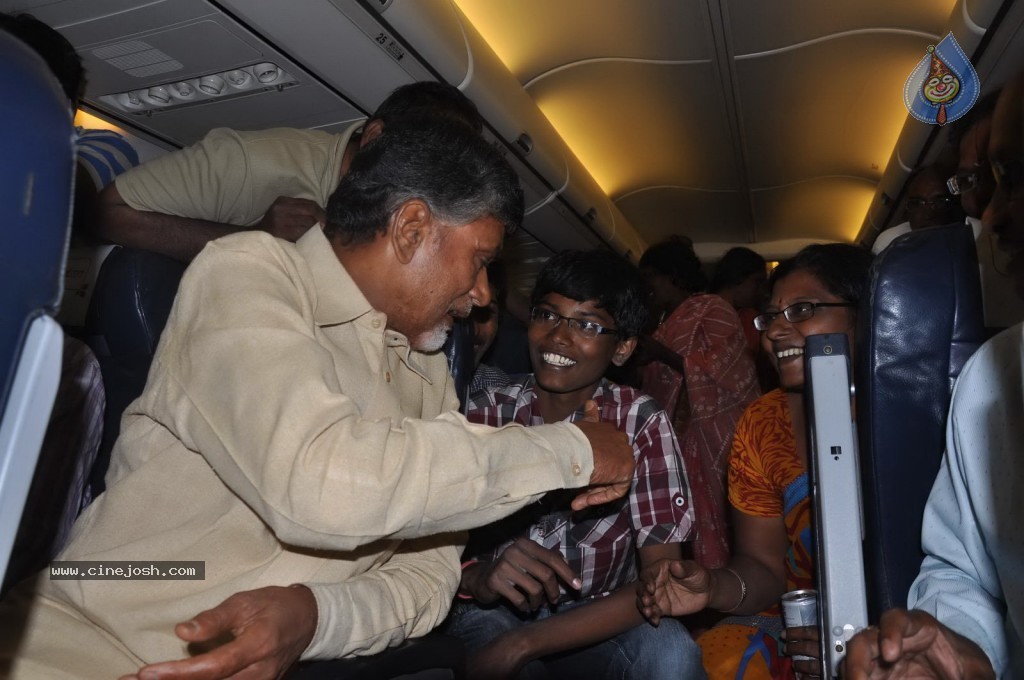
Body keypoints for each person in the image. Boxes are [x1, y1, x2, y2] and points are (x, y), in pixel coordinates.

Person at [0, 121, 637, 679]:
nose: (481, 295)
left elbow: (431, 579)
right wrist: (571, 451)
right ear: (412, 228)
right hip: (90, 643)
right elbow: (322, 482)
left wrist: (316, 615)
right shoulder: (249, 275)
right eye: (477, 262)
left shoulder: (425, 371)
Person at [445, 249, 703, 680]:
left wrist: (524, 643)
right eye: (547, 315)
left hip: (598, 616)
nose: (558, 337)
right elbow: (428, 552)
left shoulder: (640, 421)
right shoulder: (484, 412)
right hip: (492, 609)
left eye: (586, 324)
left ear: (621, 348)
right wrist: (480, 576)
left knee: (672, 651)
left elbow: (659, 583)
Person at [842, 71, 1024, 680]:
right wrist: (959, 650)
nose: (993, 215)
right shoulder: (991, 382)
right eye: (992, 182)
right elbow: (967, 570)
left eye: (1017, 178)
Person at [638, 243, 874, 680]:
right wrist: (713, 586)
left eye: (802, 310)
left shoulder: (910, 412)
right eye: (771, 317)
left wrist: (860, 634)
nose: (776, 332)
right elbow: (764, 569)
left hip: (906, 614)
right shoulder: (763, 424)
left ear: (867, 314)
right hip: (801, 622)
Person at [94, 80, 483, 262]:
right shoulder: (257, 161)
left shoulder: (400, 212)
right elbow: (107, 213)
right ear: (374, 137)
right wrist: (256, 238)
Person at [638, 236, 759, 568]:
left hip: (713, 435)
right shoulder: (663, 320)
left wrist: (660, 354)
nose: (647, 286)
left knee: (726, 521)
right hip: (676, 441)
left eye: (651, 277)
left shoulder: (713, 309)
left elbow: (730, 368)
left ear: (672, 275)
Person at [710, 247, 776, 393]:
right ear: (738, 278)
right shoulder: (704, 312)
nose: (761, 291)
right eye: (757, 282)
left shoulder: (750, 316)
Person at [872, 165, 965, 253]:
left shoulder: (968, 241)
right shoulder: (889, 244)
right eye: (917, 203)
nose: (928, 214)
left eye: (940, 202)